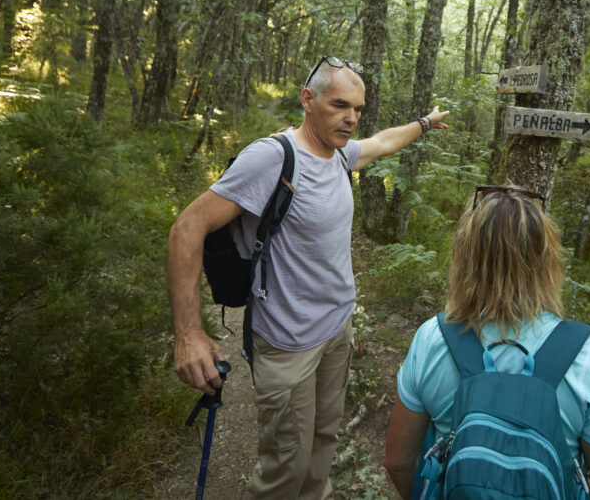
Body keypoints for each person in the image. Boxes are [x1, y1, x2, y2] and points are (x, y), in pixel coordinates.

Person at [168, 55, 449, 499]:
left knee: (321, 450)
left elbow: (383, 142)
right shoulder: (271, 158)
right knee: (285, 468)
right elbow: (187, 228)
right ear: (308, 100)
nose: (351, 118)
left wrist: (425, 124)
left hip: (336, 332)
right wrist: (188, 332)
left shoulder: (339, 154)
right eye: (340, 105)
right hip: (287, 342)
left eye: (357, 108)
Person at [383, 185, 590, 499]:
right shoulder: (584, 355)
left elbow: (398, 462)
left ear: (466, 257)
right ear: (546, 263)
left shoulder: (432, 339)